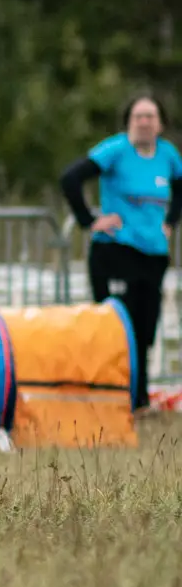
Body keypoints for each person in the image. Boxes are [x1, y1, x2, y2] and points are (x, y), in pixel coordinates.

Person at [60, 93, 182, 407]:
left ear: (160, 123)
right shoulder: (115, 150)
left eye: (150, 116)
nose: (144, 122)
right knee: (116, 327)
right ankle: (110, 396)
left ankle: (138, 401)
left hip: (153, 253)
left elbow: (180, 190)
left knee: (145, 329)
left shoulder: (167, 155)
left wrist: (170, 222)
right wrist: (89, 220)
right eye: (138, 116)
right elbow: (70, 179)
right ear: (129, 122)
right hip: (115, 251)